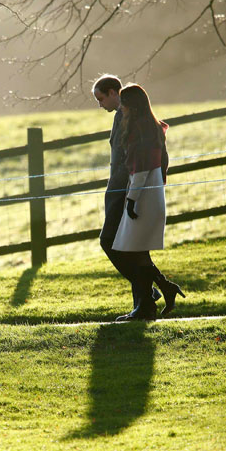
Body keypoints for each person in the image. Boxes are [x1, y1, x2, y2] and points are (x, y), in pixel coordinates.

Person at [92, 75, 171, 321]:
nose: (100, 104)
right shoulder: (132, 118)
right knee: (134, 249)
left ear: (115, 93)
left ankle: (149, 295)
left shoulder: (133, 120)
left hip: (126, 190)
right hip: (124, 189)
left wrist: (135, 193)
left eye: (101, 98)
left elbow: (139, 160)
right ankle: (148, 299)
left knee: (113, 242)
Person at [110, 83, 185, 321]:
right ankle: (162, 289)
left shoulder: (140, 131)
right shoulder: (151, 128)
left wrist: (131, 200)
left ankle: (146, 304)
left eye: (123, 103)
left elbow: (140, 170)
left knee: (131, 249)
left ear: (131, 105)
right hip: (150, 194)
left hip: (142, 196)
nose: (121, 108)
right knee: (137, 251)